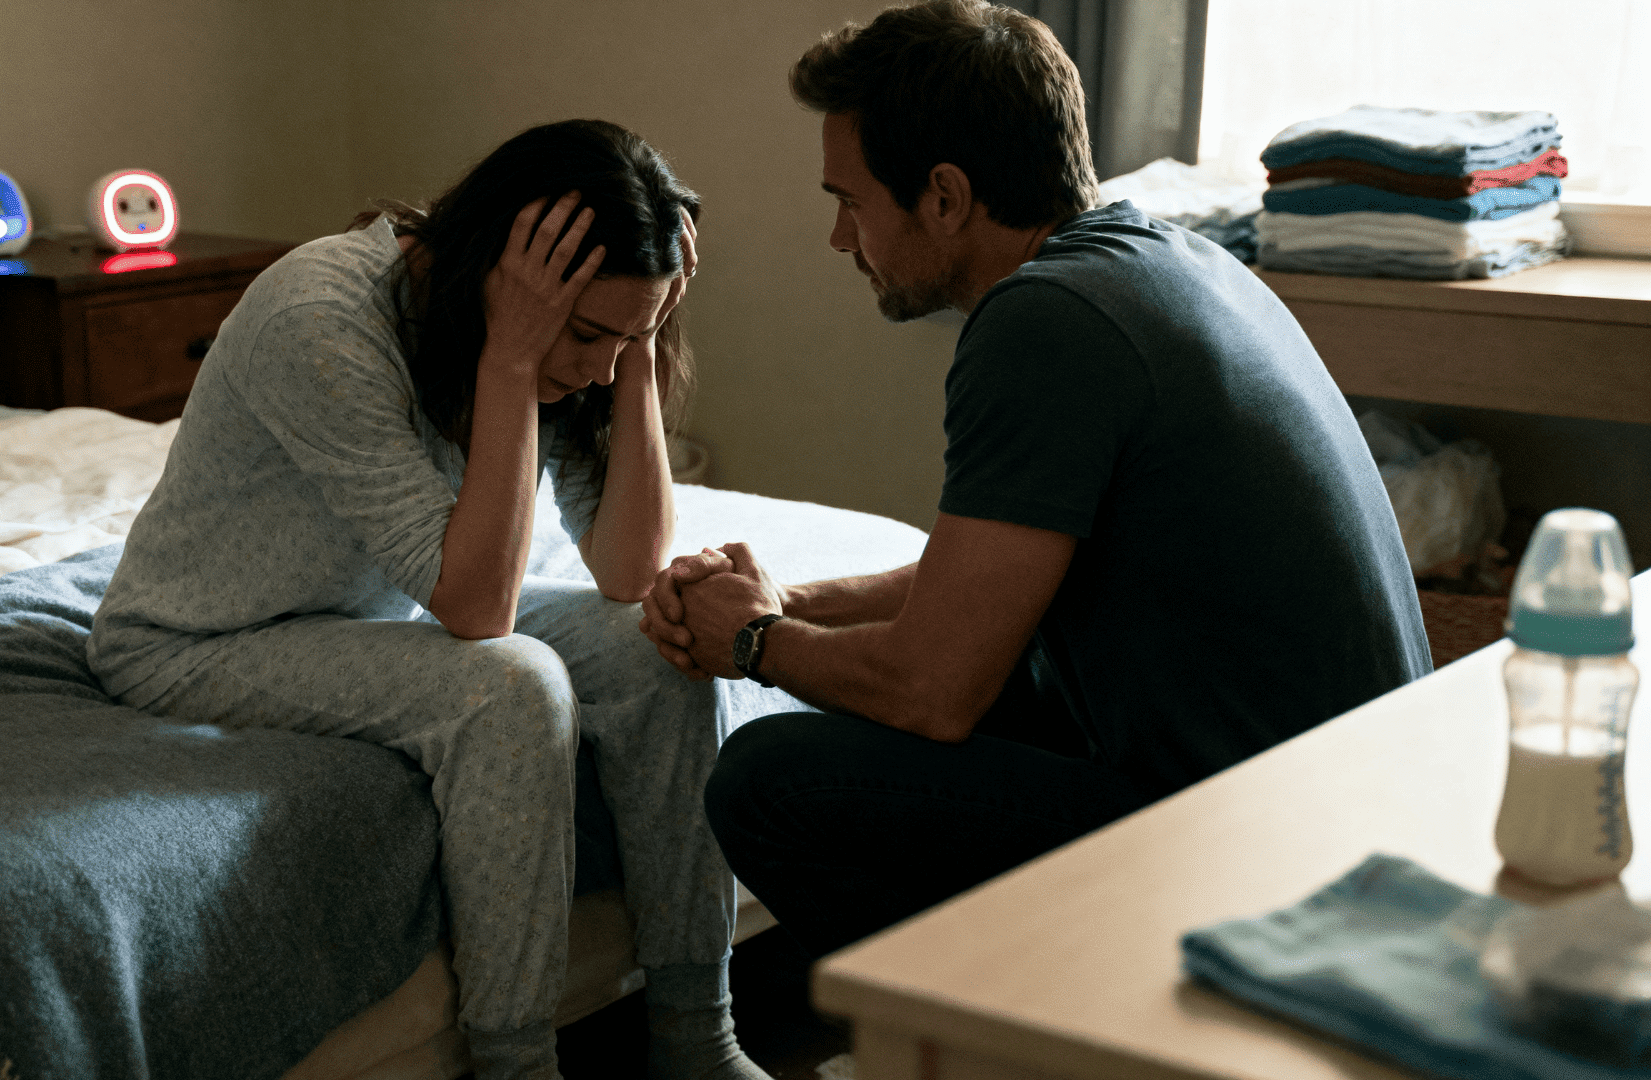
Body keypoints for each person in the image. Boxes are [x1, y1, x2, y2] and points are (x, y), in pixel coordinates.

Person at [639, 0, 1432, 960]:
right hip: (1349, 803)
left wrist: (756, 641)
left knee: (769, 781)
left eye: (848, 202)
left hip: (1256, 847)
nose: (842, 241)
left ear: (944, 195)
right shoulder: (1165, 261)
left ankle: (982, 1044)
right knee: (997, 663)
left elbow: (933, 688)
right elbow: (982, 590)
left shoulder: (1043, 323)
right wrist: (789, 599)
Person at [88, 119, 771, 1080]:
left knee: (652, 638)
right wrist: (513, 359)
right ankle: (516, 1066)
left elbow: (626, 568)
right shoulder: (318, 317)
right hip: (198, 641)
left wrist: (639, 345)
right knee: (510, 684)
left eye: (628, 337)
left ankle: (697, 1037)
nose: (599, 366)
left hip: (379, 615)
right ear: (506, 271)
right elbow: (480, 613)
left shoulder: (580, 339)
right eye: (589, 335)